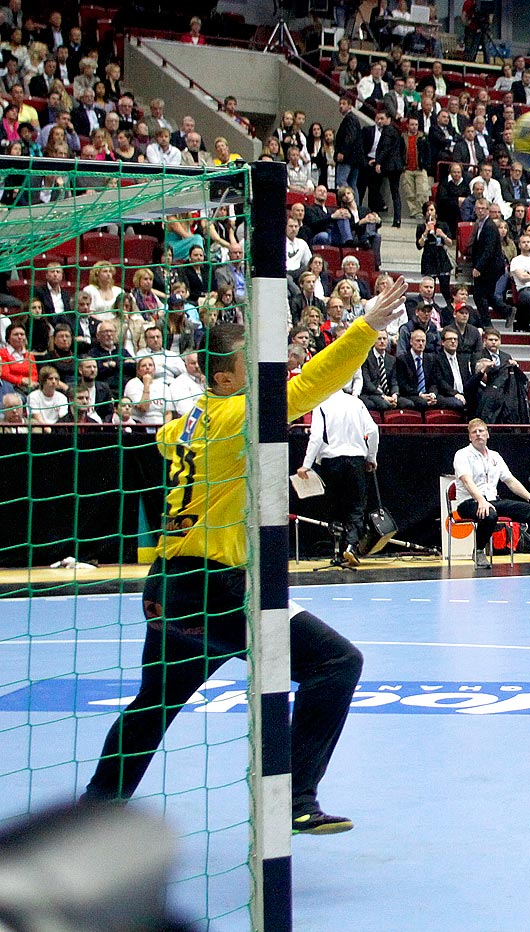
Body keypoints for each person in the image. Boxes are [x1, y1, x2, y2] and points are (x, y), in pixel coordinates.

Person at [84, 274, 412, 836]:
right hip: (214, 589)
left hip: (170, 587)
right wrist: (367, 327)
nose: (267, 373)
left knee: (152, 704)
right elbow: (306, 387)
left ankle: (92, 813)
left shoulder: (188, 420)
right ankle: (294, 798)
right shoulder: (235, 418)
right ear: (224, 376)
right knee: (336, 663)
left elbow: (168, 440)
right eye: (252, 364)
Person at [453, 419, 530, 570]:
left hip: (493, 501)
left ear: (487, 434)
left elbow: (510, 481)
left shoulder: (495, 456)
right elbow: (466, 480)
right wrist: (480, 500)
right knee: (489, 514)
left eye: (481, 431)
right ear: (470, 437)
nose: (478, 434)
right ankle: (478, 551)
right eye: (474, 432)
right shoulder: (462, 455)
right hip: (469, 502)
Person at [298, 378, 380, 568]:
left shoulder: (322, 404)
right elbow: (373, 431)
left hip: (331, 462)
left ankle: (336, 549)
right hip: (356, 460)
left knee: (335, 508)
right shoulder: (356, 403)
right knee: (356, 506)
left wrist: (306, 464)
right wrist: (371, 457)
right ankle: (351, 545)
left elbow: (316, 436)